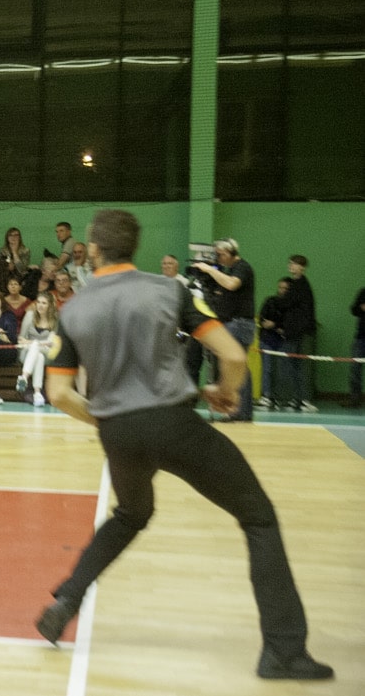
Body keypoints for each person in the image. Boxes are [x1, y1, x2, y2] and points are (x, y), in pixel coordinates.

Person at [35, 209, 332, 682]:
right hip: (174, 423)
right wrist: (226, 391)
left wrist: (108, 419)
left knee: (131, 514)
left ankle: (67, 599)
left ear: (93, 249)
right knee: (258, 517)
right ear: (134, 246)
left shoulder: (73, 310)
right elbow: (232, 354)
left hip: (118, 434)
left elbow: (58, 394)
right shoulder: (169, 290)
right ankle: (283, 651)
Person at [192, 238, 256, 422]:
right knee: (237, 367)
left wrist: (210, 270)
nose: (218, 258)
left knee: (237, 366)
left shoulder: (242, 268)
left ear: (229, 253)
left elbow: (231, 284)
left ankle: (239, 411)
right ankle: (239, 411)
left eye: (220, 255)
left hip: (239, 323)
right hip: (233, 322)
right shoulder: (231, 270)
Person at [278, 254, 316, 413]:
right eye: (290, 263)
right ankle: (298, 399)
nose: (291, 266)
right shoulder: (296, 284)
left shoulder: (300, 286)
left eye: (294, 264)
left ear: (302, 267)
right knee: (294, 365)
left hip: (297, 332)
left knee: (295, 365)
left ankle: (303, 399)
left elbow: (285, 303)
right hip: (295, 331)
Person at [16, 291, 58, 407]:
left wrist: (32, 342)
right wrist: (32, 344)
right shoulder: (30, 316)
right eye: (38, 302)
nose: (40, 305)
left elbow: (51, 342)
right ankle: (37, 393)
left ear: (50, 305)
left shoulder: (55, 319)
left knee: (36, 346)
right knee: (38, 356)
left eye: (44, 303)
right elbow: (21, 339)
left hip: (48, 353)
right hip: (27, 352)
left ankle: (24, 377)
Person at [256, 278, 290, 411]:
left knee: (282, 371)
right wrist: (268, 325)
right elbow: (262, 319)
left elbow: (288, 324)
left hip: (283, 341)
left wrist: (275, 325)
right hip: (267, 339)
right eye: (280, 287)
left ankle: (279, 398)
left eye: (286, 288)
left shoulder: (290, 306)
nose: (282, 291)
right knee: (267, 369)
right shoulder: (270, 301)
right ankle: (266, 396)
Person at [348, 285, 365, 409]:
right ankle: (354, 399)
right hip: (361, 337)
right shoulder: (363, 292)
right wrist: (361, 307)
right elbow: (353, 310)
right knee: (355, 369)